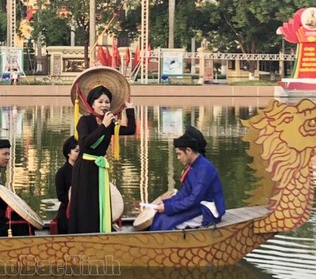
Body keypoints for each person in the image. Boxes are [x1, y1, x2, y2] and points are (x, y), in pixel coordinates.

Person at [69, 86, 135, 234]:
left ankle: (100, 231)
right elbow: (85, 143)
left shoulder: (110, 123)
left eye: (107, 102)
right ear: (92, 104)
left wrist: (130, 110)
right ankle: (82, 234)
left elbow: (131, 130)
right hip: (85, 167)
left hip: (99, 167)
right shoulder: (84, 121)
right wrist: (104, 126)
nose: (104, 105)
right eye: (100, 102)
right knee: (86, 202)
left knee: (99, 201)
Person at [148, 126, 226, 231]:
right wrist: (165, 204)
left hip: (207, 210)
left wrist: (168, 208)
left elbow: (194, 198)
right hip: (197, 205)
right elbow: (184, 193)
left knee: (166, 221)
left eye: (179, 154)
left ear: (188, 150)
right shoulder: (194, 166)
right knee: (161, 216)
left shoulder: (204, 168)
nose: (178, 158)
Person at [53, 136, 79, 234]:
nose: (79, 154)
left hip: (83, 210)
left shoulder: (85, 171)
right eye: (76, 151)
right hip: (67, 211)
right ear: (68, 153)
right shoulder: (62, 172)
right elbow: (61, 196)